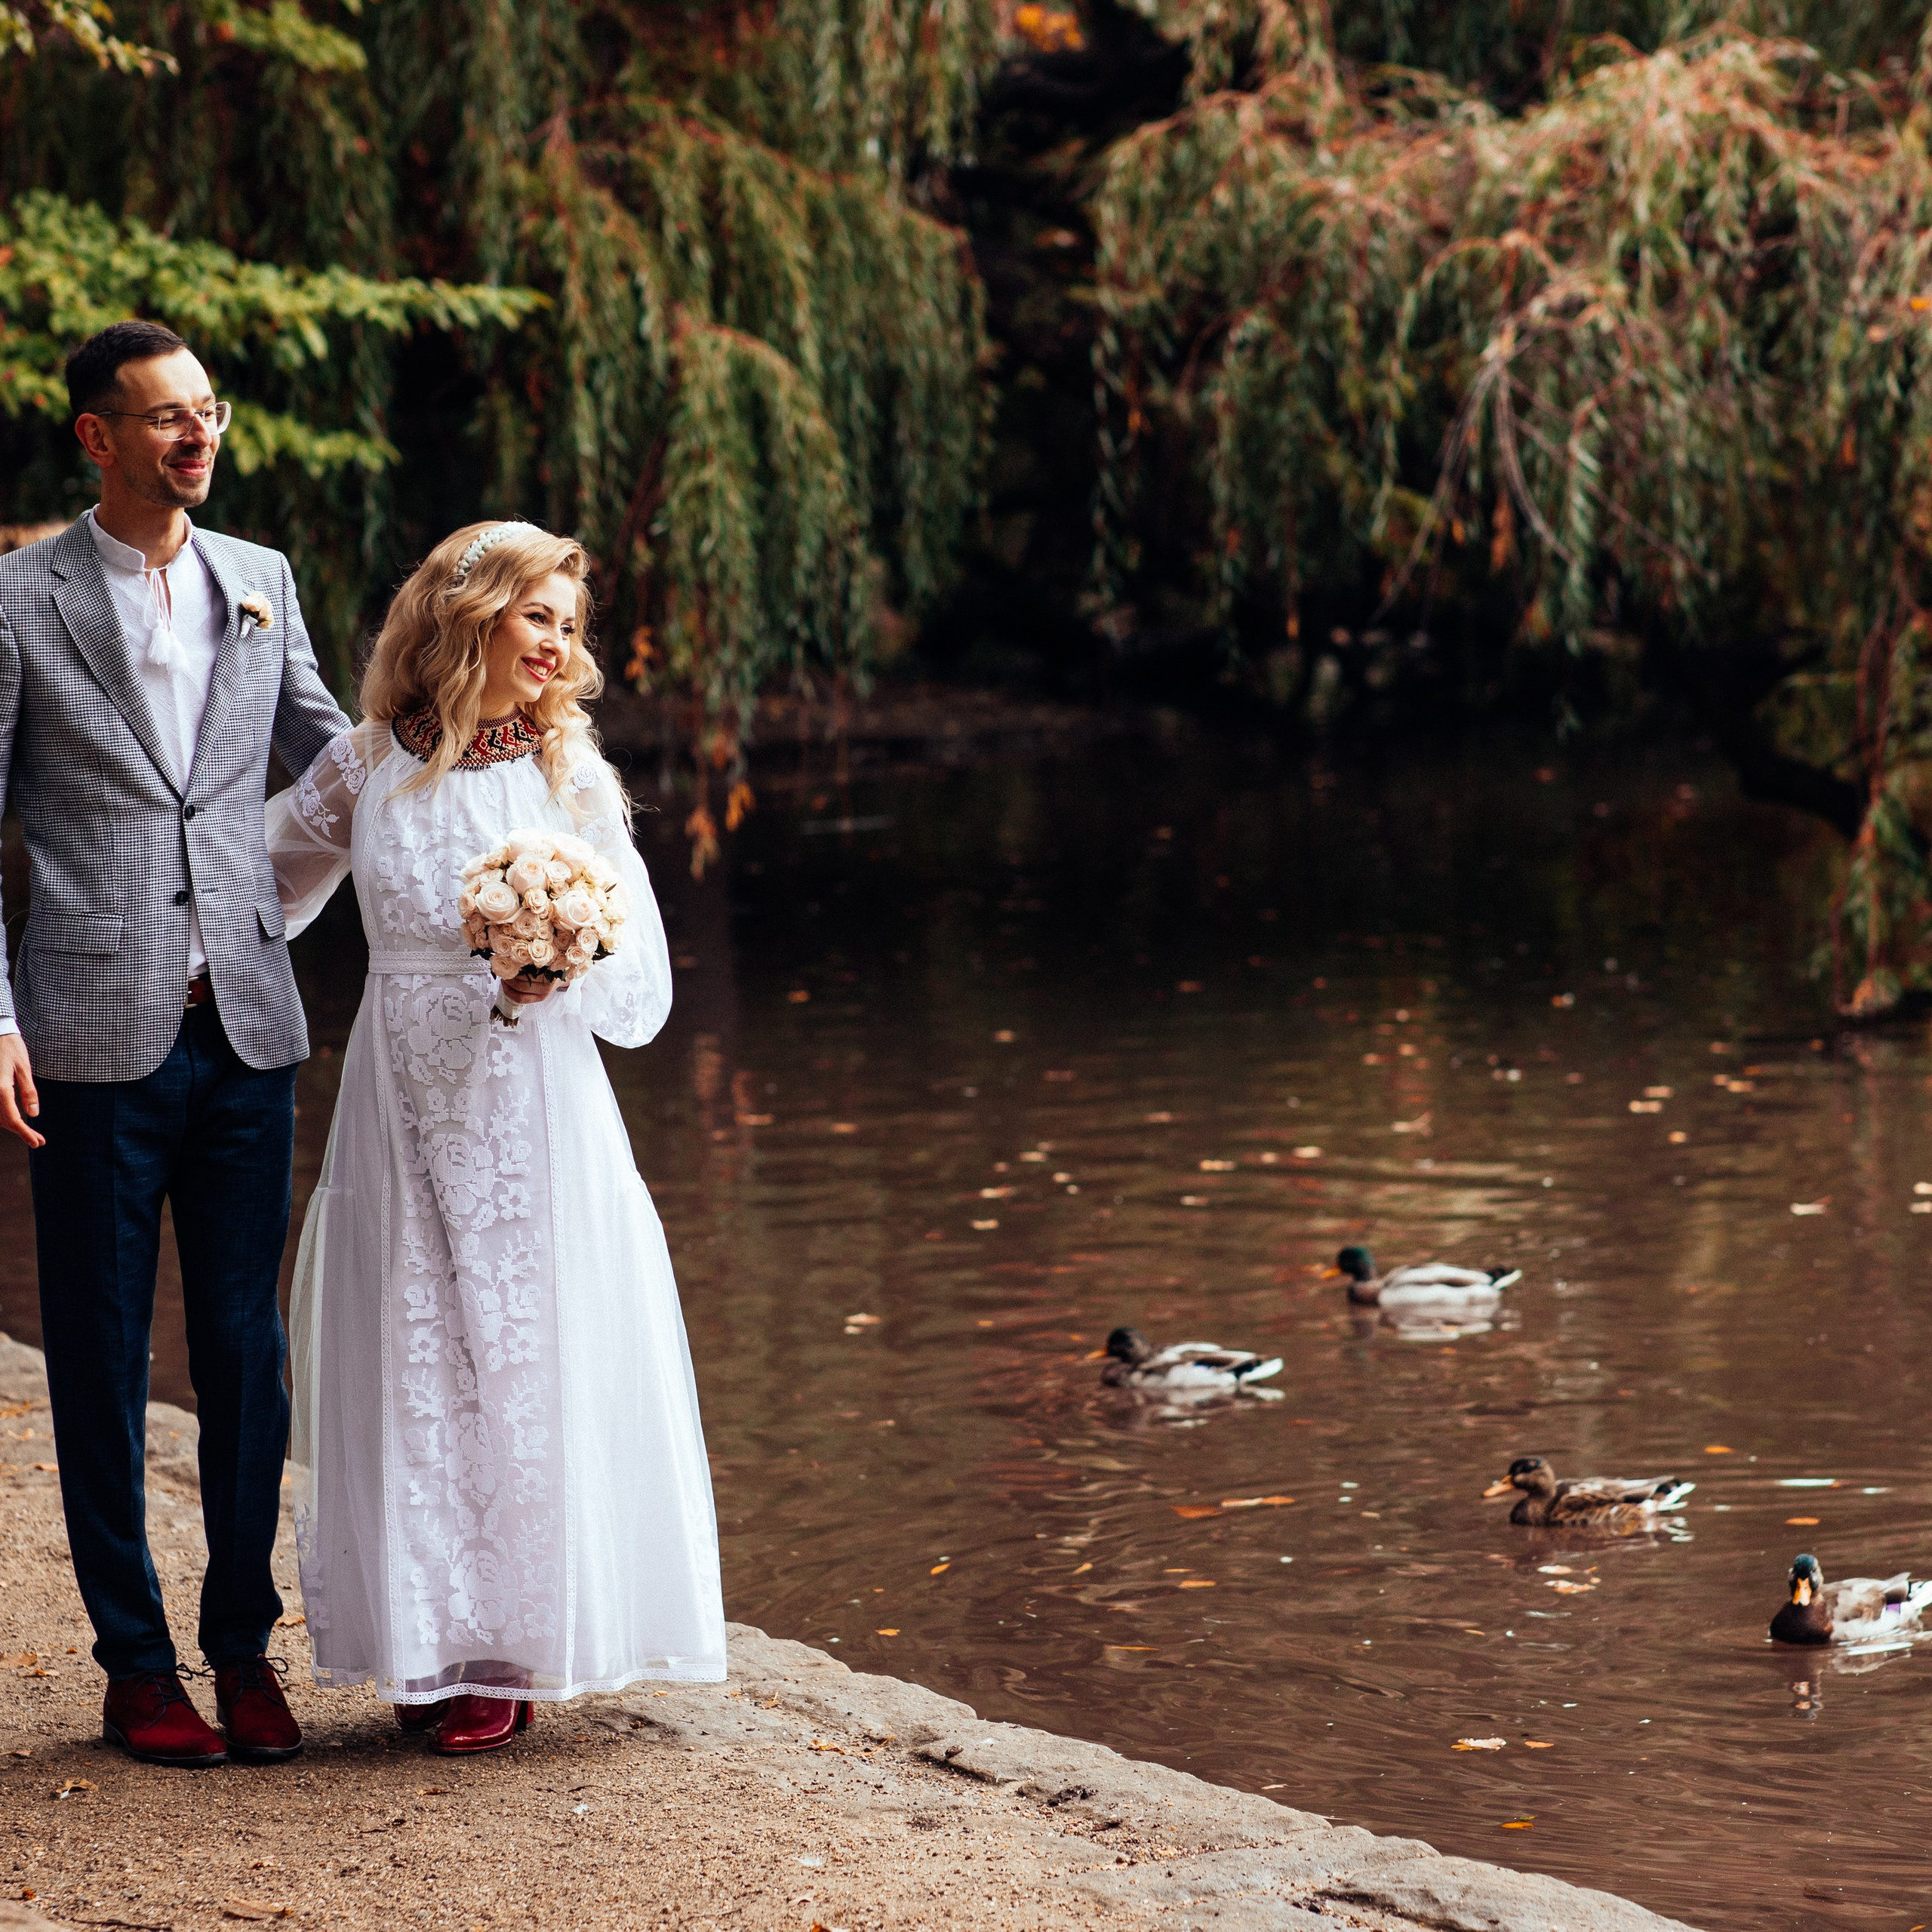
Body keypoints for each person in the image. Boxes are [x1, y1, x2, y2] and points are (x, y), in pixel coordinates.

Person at [264, 521, 725, 1753]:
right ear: (468, 616)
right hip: (398, 1092)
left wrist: (549, 970)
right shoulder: (364, 769)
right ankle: (428, 1632)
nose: (560, 646)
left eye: (570, 626)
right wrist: (187, 969)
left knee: (518, 1341)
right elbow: (268, 880)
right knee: (412, 1339)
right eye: (540, 617)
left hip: (528, 1099)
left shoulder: (566, 777)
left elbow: (643, 987)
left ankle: (508, 1649)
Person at [0, 320, 349, 1765]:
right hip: (86, 1028)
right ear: (98, 436)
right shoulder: (19, 600)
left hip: (248, 1026)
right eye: (164, 419)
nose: (198, 438)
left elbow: (340, 758)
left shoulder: (259, 583)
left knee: (248, 1357)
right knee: (93, 1350)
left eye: (207, 413)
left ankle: (243, 1650)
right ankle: (136, 1667)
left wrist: (496, 756)